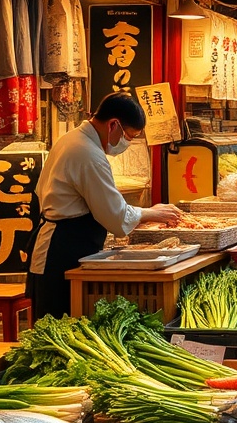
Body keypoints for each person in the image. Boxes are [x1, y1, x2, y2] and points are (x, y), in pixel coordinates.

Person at [27, 92, 183, 319]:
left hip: (60, 241)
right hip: (62, 249)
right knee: (61, 321)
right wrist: (150, 213)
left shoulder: (72, 139)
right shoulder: (87, 153)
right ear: (113, 125)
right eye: (129, 137)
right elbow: (114, 216)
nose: (126, 144)